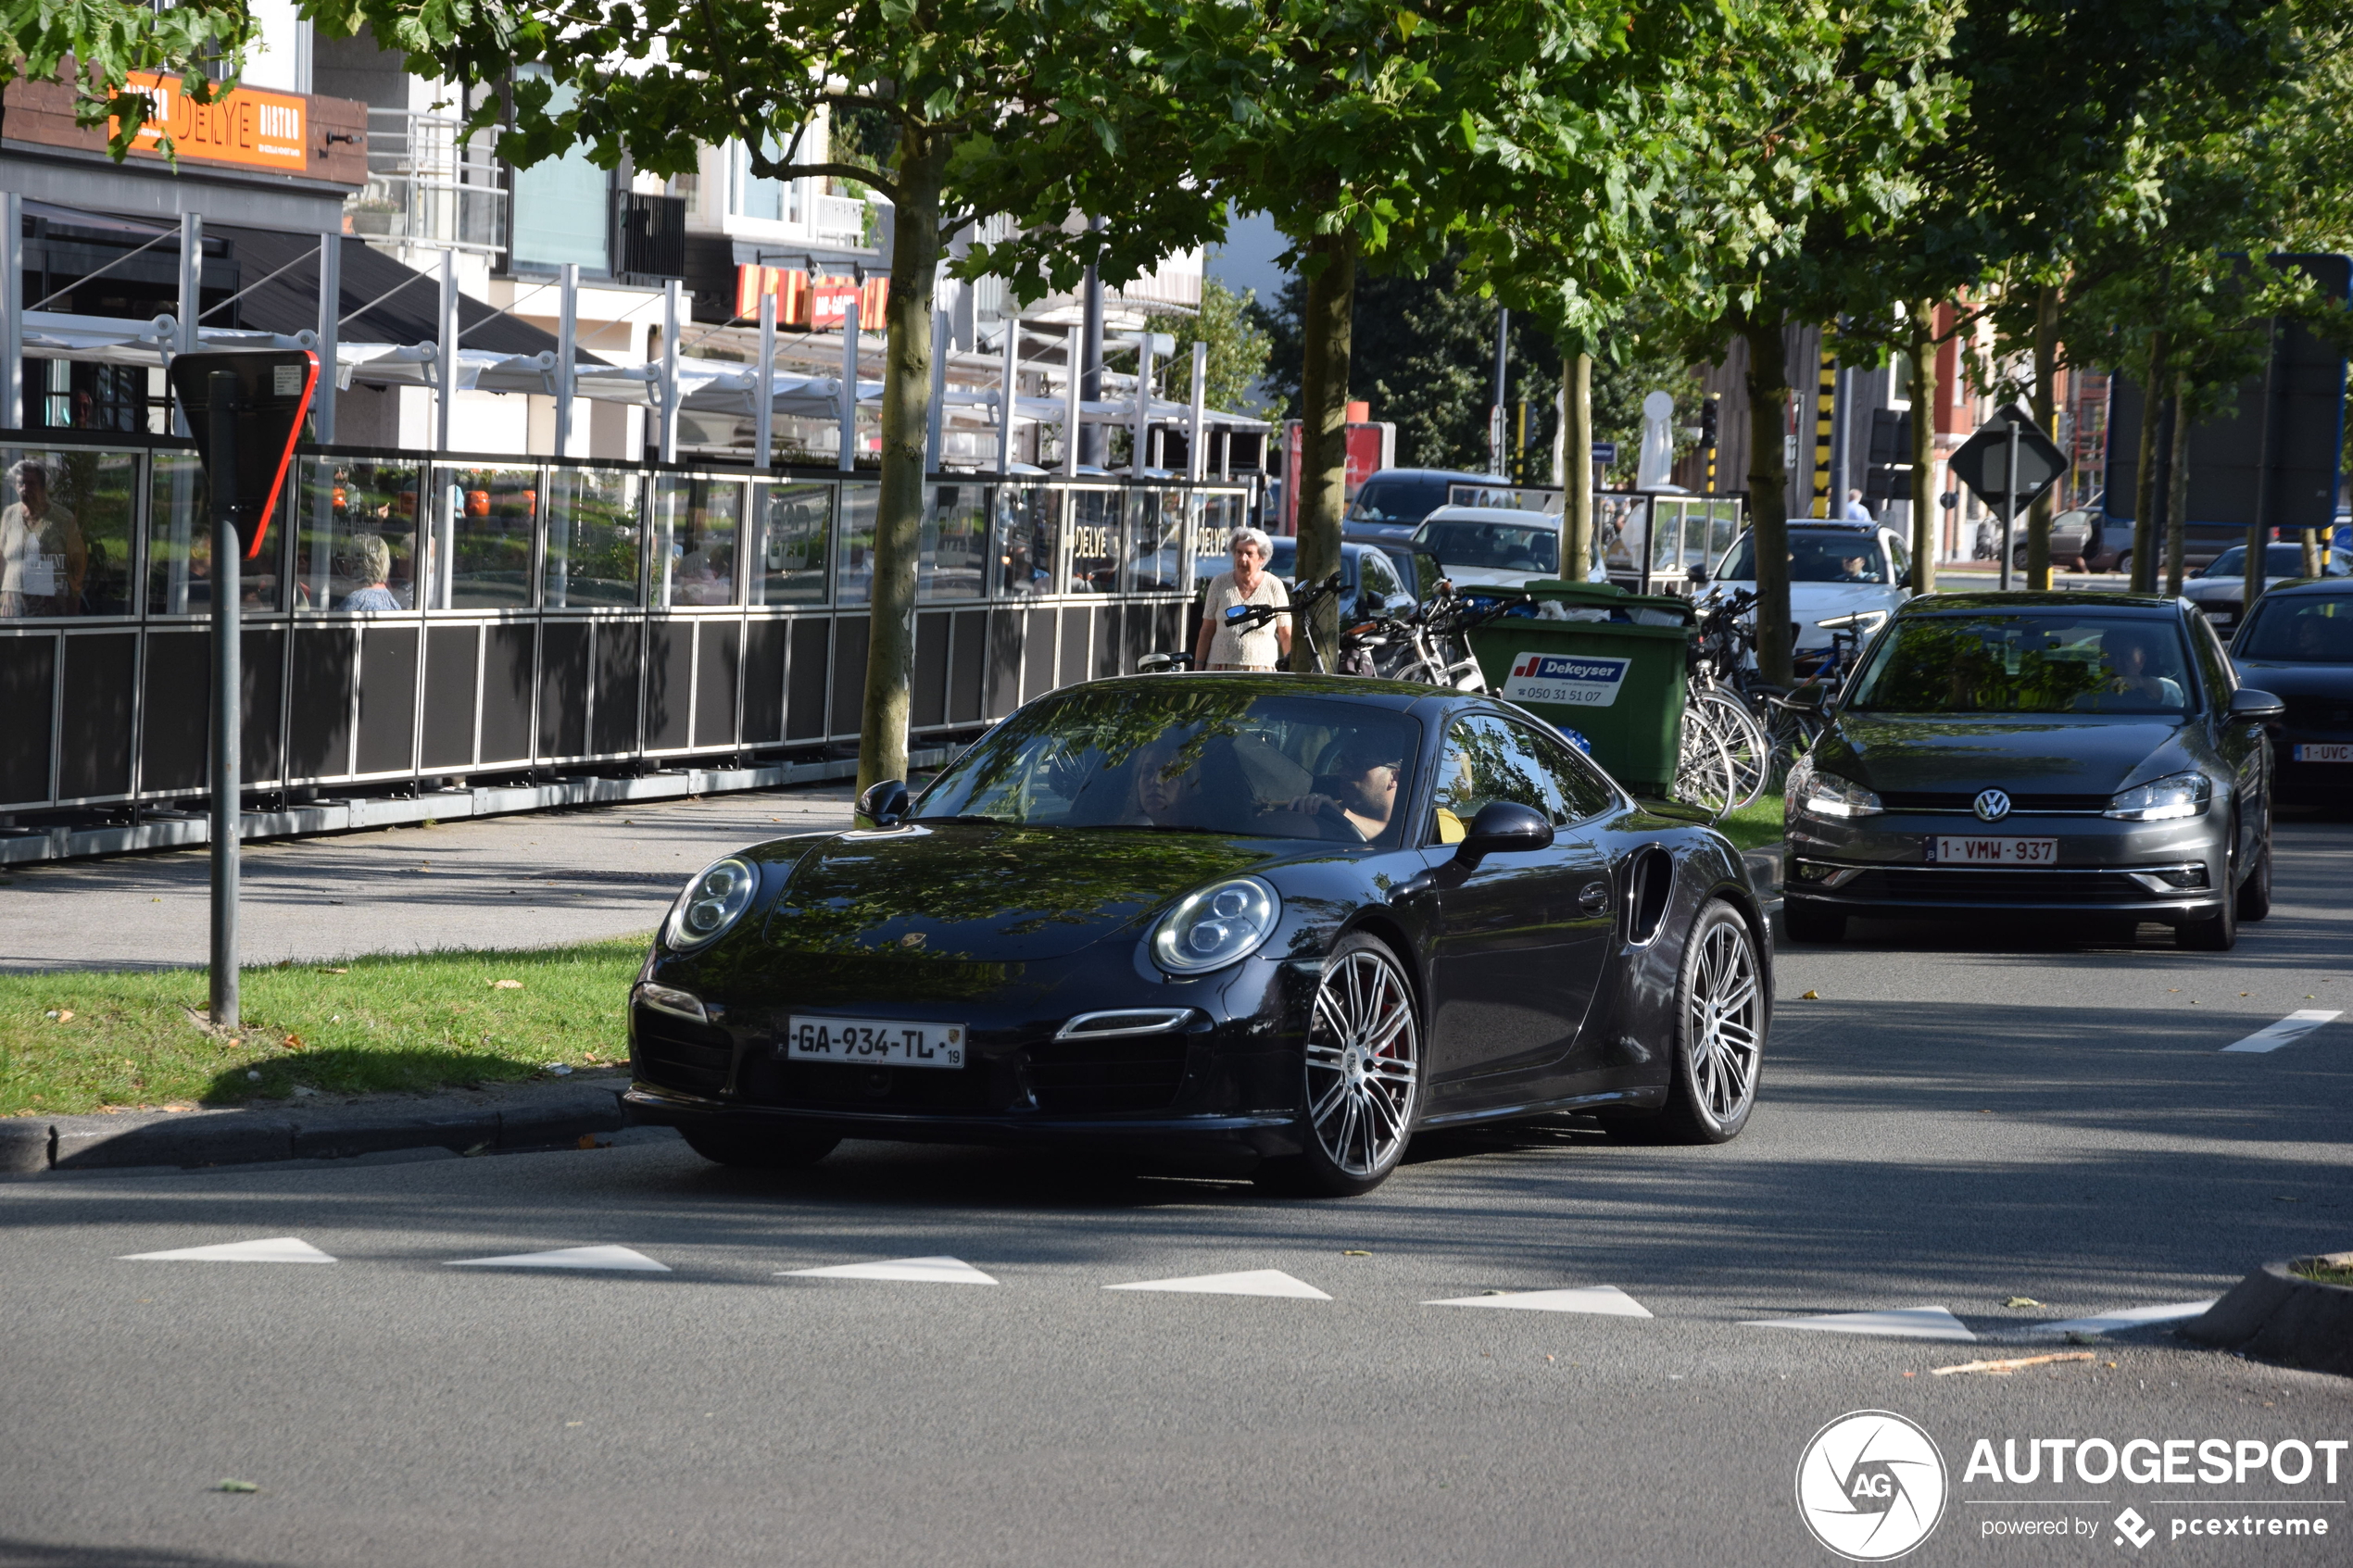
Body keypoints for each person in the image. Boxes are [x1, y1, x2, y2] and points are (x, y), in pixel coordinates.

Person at [1193, 527, 1291, 671]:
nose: (1242, 558)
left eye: (1249, 553)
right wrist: (1198, 668)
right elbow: (1207, 630)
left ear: (1261, 558)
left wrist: (1291, 667)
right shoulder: (1219, 583)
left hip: (1261, 669)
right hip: (1221, 668)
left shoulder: (1274, 585)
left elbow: (1286, 633)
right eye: (1239, 552)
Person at [1274, 735, 1404, 841]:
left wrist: (1342, 816)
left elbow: (1395, 836)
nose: (1344, 772)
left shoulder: (1418, 826)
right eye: (1343, 763)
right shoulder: (1325, 810)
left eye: (1358, 764)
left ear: (1395, 777)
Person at [0, 459, 85, 617]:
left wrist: (73, 615)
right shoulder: (9, 514)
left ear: (43, 487)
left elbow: (76, 568)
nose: (25, 488)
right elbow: (1, 559)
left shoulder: (63, 518)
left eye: (31, 483)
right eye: (21, 483)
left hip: (49, 609)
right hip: (12, 607)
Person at [2100, 626, 2185, 708]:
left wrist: (2140, 683)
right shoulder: (2090, 689)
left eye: (2124, 656)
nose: (2116, 662)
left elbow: (2175, 696)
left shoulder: (2152, 687)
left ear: (2141, 660)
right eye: (2109, 655)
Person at [334, 534, 403, 611]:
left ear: (355, 564)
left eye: (347, 559)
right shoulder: (392, 602)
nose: (344, 564)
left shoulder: (356, 602)